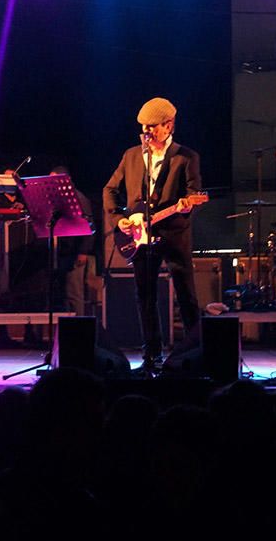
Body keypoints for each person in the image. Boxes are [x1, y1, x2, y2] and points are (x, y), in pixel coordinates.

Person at [103, 97, 202, 372]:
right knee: (145, 295)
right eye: (144, 127)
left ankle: (194, 353)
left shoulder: (186, 157)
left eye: (153, 127)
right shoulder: (132, 155)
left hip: (174, 234)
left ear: (169, 125)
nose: (147, 132)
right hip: (140, 236)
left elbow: (194, 195)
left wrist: (184, 208)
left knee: (186, 295)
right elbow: (109, 189)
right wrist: (119, 218)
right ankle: (152, 355)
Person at [50, 166, 96, 316]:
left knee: (74, 292)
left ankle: (79, 328)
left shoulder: (78, 198)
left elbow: (89, 226)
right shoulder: (57, 200)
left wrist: (83, 252)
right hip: (63, 252)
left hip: (74, 252)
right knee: (63, 293)